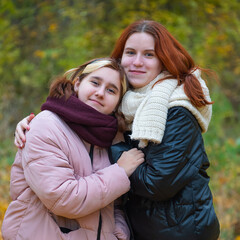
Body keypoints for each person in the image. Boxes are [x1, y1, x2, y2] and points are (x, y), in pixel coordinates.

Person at [13, 20, 220, 240]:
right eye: (130, 52)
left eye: (149, 54)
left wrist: (116, 151)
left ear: (163, 60)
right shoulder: (120, 109)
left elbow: (156, 183)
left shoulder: (176, 109)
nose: (137, 62)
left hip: (181, 231)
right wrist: (36, 123)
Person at [2, 58, 145, 240]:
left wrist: (118, 234)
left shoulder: (109, 137)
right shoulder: (46, 125)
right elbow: (63, 199)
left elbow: (114, 201)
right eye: (95, 82)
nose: (100, 93)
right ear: (77, 84)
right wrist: (120, 171)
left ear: (117, 102)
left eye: (111, 90)